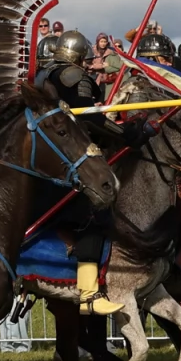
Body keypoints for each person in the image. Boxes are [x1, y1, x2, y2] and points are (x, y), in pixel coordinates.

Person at [35, 30, 136, 316]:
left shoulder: (42, 75)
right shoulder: (75, 77)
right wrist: (127, 133)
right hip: (68, 158)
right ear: (79, 56)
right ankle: (90, 293)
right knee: (96, 211)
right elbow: (88, 118)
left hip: (44, 159)